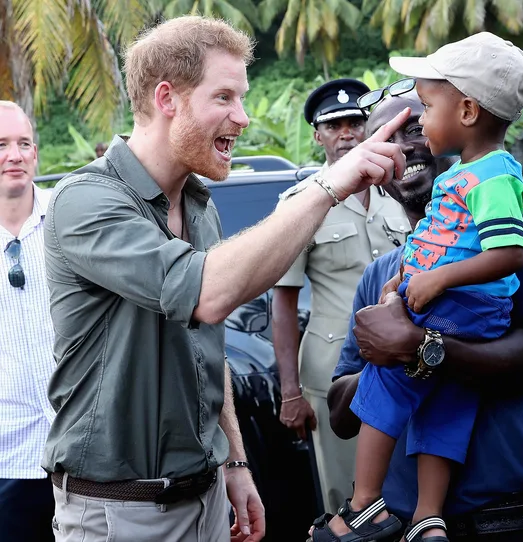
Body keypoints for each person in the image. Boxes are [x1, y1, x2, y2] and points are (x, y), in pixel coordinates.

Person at [42, 16, 410, 542]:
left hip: (206, 494)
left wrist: (234, 462)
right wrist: (328, 184)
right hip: (119, 510)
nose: (242, 117)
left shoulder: (199, 206)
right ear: (167, 98)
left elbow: (206, 351)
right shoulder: (86, 200)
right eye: (224, 98)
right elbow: (206, 294)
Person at [325, 89, 523, 541]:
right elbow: (340, 412)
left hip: (517, 520)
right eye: (386, 137)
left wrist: (417, 347)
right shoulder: (383, 277)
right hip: (409, 526)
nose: (406, 145)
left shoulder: (520, 212)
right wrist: (384, 354)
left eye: (416, 125)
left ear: (458, 122)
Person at [311, 33, 523, 542]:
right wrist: (403, 276)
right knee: (444, 411)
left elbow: (508, 254)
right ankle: (426, 517)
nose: (413, 132)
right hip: (455, 310)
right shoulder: (467, 176)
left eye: (425, 110)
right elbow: (437, 241)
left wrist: (429, 287)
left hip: (458, 308)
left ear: (466, 111)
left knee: (385, 380)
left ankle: (364, 503)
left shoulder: (493, 178)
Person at [273, 79, 411, 515]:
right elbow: (284, 303)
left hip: (403, 363)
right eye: (334, 126)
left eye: (355, 122)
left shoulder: (402, 192)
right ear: (318, 136)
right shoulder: (301, 203)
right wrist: (290, 392)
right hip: (331, 373)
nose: (347, 132)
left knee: (404, 489)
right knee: (344, 495)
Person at [0, 101, 56, 541]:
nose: (14, 155)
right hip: (7, 458)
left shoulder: (68, 220)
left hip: (81, 454)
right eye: (1, 145)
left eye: (22, 144)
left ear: (36, 154)